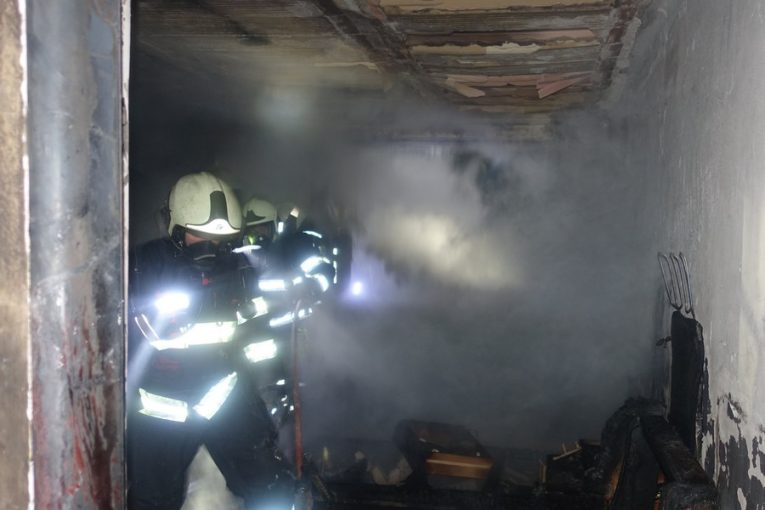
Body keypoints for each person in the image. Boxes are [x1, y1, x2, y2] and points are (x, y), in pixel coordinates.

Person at [127, 172, 293, 510]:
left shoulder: (241, 270)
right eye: (199, 238)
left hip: (223, 396)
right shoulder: (142, 268)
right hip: (161, 411)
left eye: (221, 241)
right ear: (174, 229)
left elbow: (257, 336)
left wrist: (272, 385)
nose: (212, 250)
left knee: (271, 487)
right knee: (152, 501)